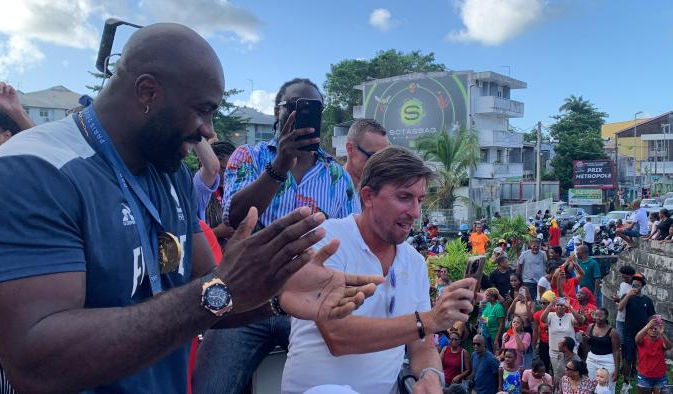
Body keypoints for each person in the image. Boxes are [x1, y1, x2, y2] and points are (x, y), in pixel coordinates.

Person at [0, 24, 381, 394]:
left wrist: (277, 295)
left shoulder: (168, 173)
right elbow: (38, 363)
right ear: (148, 91)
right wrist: (223, 288)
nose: (208, 130)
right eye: (201, 109)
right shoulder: (29, 173)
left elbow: (206, 294)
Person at [196, 77, 361, 394]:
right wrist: (280, 165)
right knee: (210, 387)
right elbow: (235, 217)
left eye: (312, 109)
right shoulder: (249, 157)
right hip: (245, 303)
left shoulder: (337, 176)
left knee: (340, 383)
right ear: (277, 114)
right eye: (294, 107)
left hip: (307, 306)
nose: (302, 115)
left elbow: (349, 242)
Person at [281, 147, 478, 393]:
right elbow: (337, 336)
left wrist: (431, 376)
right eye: (404, 197)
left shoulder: (414, 262)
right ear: (368, 196)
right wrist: (427, 320)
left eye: (420, 200)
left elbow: (423, 347)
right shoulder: (327, 240)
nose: (416, 212)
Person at [618, 273, 656, 390]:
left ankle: (642, 377)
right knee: (628, 356)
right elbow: (620, 308)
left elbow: (650, 316)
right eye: (634, 284)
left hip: (644, 333)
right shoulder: (627, 296)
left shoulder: (647, 300)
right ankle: (626, 380)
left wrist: (653, 328)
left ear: (642, 286)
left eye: (638, 285)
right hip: (629, 332)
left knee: (643, 356)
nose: (635, 287)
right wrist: (628, 295)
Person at [196, 140, 237, 248]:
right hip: (208, 258)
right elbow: (190, 235)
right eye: (224, 169)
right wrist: (217, 232)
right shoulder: (199, 189)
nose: (229, 174)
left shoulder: (235, 189)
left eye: (233, 169)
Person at [540, 297, 585, 383]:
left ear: (565, 307)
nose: (560, 307)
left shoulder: (570, 316)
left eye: (562, 305)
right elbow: (542, 319)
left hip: (570, 352)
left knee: (572, 374)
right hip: (555, 352)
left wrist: (570, 307)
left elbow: (580, 321)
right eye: (558, 305)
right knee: (558, 375)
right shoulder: (551, 315)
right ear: (555, 306)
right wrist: (550, 305)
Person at [343, 118, 390, 189]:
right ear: (350, 148)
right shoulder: (330, 188)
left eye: (384, 157)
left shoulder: (385, 188)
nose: (380, 165)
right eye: (373, 157)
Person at [583, 308, 619, 394]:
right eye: (596, 315)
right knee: (591, 384)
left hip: (607, 360)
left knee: (609, 386)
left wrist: (617, 369)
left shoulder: (612, 331)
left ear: (606, 317)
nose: (598, 318)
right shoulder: (590, 326)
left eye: (600, 316)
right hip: (592, 358)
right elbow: (586, 345)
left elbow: (616, 351)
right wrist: (585, 340)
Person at [635, 317, 671, 393]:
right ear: (647, 328)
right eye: (651, 327)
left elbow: (669, 346)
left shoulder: (661, 340)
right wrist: (648, 325)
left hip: (660, 377)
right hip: (644, 376)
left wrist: (662, 333)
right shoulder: (642, 340)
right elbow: (637, 339)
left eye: (656, 328)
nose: (654, 330)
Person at [533, 290, 556, 375]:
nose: (542, 305)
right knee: (544, 365)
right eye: (541, 302)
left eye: (545, 303)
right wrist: (534, 344)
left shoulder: (556, 312)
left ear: (551, 303)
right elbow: (535, 330)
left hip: (555, 343)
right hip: (544, 343)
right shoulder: (537, 314)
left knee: (555, 367)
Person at [573, 287, 597, 358]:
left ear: (587, 296)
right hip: (573, 333)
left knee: (585, 355)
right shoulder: (573, 304)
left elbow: (594, 321)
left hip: (586, 334)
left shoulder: (592, 308)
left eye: (581, 293)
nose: (578, 294)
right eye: (578, 293)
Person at [613, 265, 635, 341]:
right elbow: (620, 299)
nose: (624, 279)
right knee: (620, 341)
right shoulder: (622, 285)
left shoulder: (636, 287)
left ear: (632, 276)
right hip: (620, 318)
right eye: (623, 277)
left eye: (626, 277)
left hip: (631, 320)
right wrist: (616, 299)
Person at [481, 288, 506, 353]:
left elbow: (501, 324)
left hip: (494, 336)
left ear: (493, 297)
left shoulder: (498, 308)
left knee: (495, 354)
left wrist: (496, 339)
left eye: (487, 295)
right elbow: (484, 317)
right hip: (486, 334)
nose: (485, 297)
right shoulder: (488, 304)